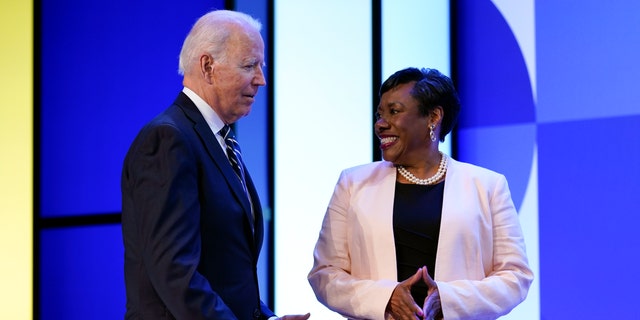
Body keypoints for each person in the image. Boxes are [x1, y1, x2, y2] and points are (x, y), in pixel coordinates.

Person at [121, 10, 310, 320]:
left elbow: (226, 275)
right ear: (208, 66)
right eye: (250, 65)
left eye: (261, 66)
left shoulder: (217, 139)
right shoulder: (168, 139)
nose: (261, 79)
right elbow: (175, 273)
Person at [308, 67, 533, 320]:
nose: (380, 124)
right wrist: (385, 298)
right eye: (379, 114)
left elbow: (515, 276)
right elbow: (325, 273)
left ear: (433, 117)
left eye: (394, 112)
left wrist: (448, 300)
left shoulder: (488, 186)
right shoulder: (352, 183)